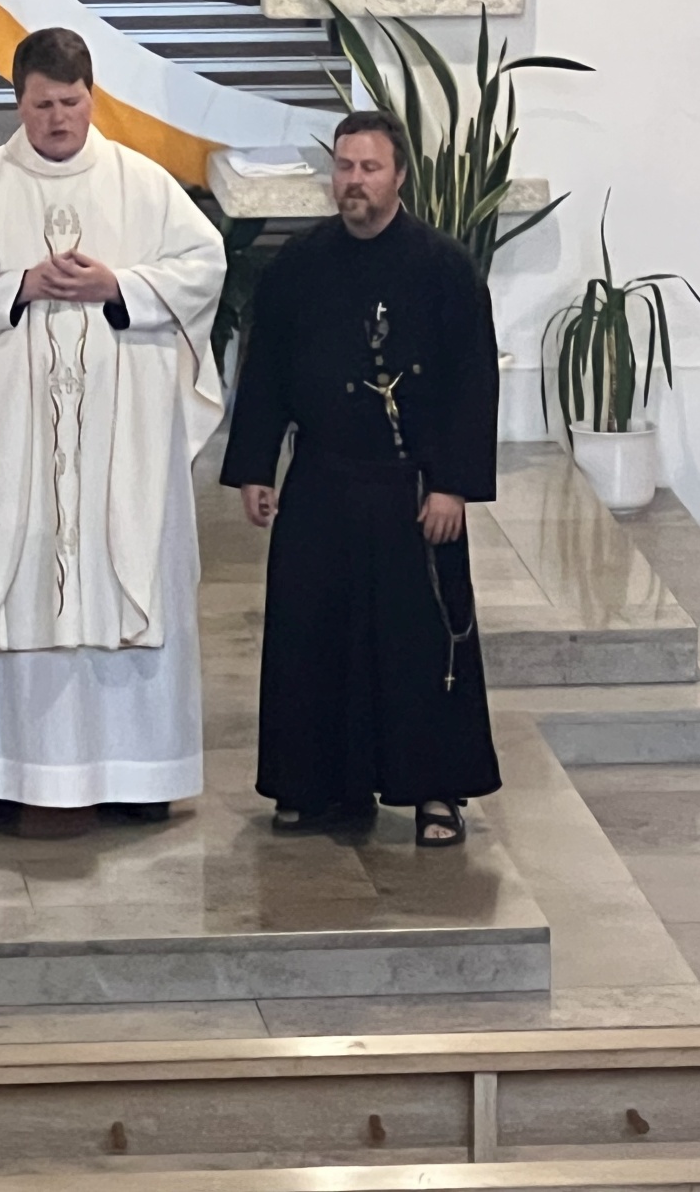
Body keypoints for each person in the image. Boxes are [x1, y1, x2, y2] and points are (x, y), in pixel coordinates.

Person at [0, 27, 227, 832]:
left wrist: (119, 285)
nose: (59, 119)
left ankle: (136, 772)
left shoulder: (142, 185)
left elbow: (205, 266)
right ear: (19, 102)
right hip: (9, 445)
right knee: (9, 579)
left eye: (73, 102)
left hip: (121, 441)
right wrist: (17, 286)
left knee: (126, 576)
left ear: (92, 98)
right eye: (44, 104)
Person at [219, 108, 502, 847]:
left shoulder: (444, 269)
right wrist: (255, 465)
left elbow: (473, 383)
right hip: (323, 483)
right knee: (313, 639)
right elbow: (266, 370)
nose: (354, 181)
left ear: (398, 175)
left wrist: (453, 485)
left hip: (414, 490)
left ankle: (435, 791)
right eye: (344, 167)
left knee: (420, 644)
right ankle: (318, 787)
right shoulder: (298, 266)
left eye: (369, 168)